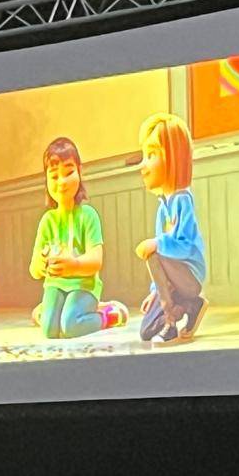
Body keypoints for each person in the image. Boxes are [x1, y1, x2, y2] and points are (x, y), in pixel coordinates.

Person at [29, 137, 128, 339]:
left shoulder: (88, 215)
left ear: (80, 173)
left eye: (68, 172)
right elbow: (34, 270)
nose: (62, 182)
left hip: (84, 285)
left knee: (71, 326)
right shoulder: (47, 221)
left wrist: (73, 265)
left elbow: (96, 261)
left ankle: (108, 315)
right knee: (49, 330)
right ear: (46, 180)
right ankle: (47, 313)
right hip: (55, 285)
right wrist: (42, 264)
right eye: (54, 176)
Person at [135, 113, 208, 343]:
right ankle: (190, 306)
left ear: (174, 158)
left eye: (151, 155)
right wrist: (154, 292)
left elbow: (184, 247)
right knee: (146, 331)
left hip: (189, 277)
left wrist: (157, 243)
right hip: (174, 282)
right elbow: (162, 262)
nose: (143, 165)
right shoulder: (162, 209)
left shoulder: (183, 201)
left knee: (152, 253)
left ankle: (170, 322)